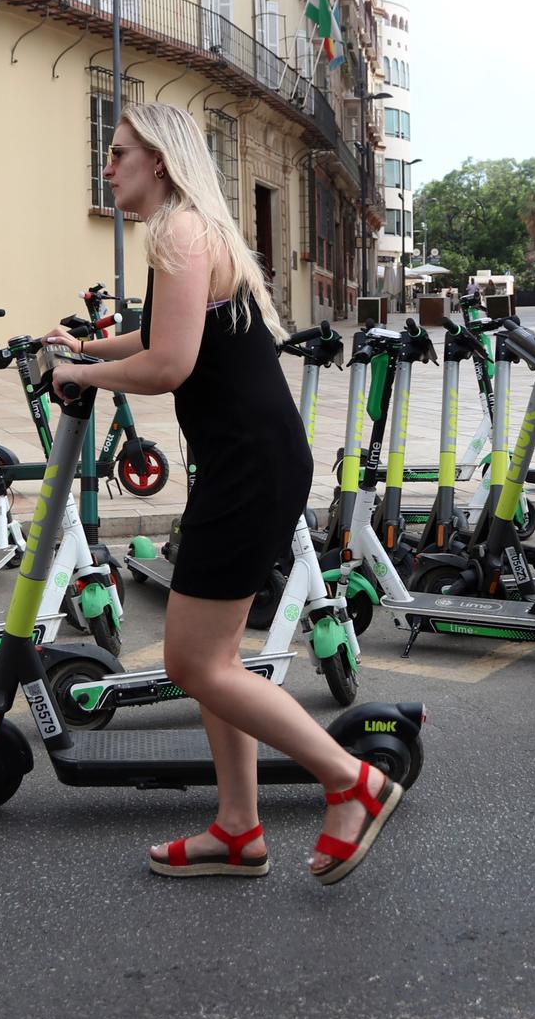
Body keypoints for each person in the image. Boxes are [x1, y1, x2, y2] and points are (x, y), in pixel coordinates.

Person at [42, 102, 403, 884]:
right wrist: (90, 347)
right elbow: (161, 336)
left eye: (118, 153)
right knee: (216, 658)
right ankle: (238, 828)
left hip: (246, 468)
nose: (106, 167)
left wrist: (79, 375)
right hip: (254, 460)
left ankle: (353, 781)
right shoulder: (190, 228)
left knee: (194, 662)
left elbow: (169, 365)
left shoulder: (176, 233)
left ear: (159, 161)